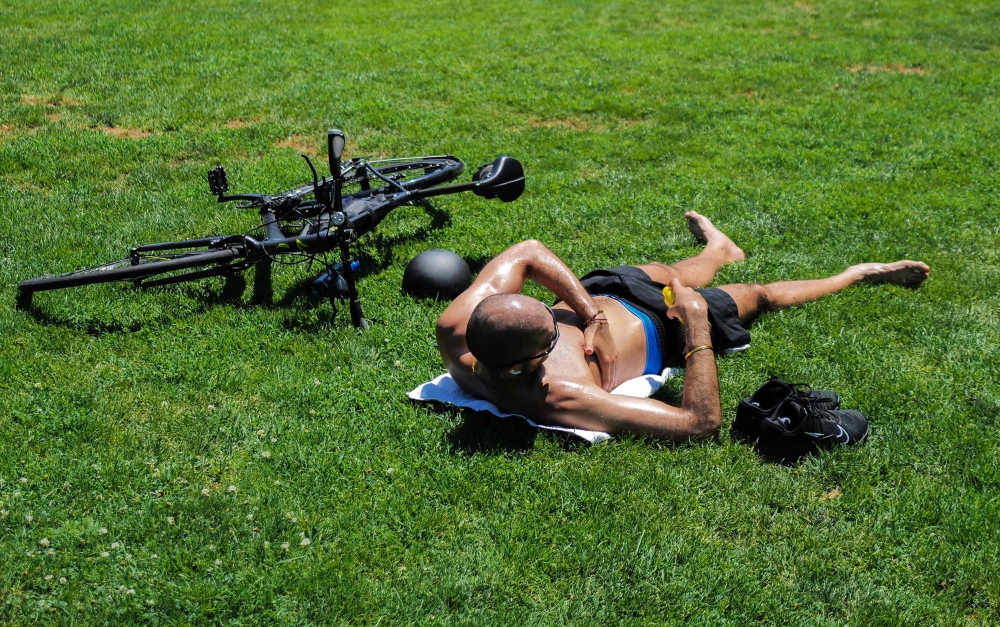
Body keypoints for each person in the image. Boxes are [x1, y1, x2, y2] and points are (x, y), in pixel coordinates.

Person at [435, 213, 929, 441]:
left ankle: (718, 249)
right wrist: (694, 327)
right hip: (663, 326)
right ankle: (857, 273)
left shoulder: (457, 325)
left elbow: (529, 251)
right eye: (551, 337)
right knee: (758, 294)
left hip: (609, 293)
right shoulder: (559, 395)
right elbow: (699, 423)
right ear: (527, 366)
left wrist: (591, 315)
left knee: (675, 269)